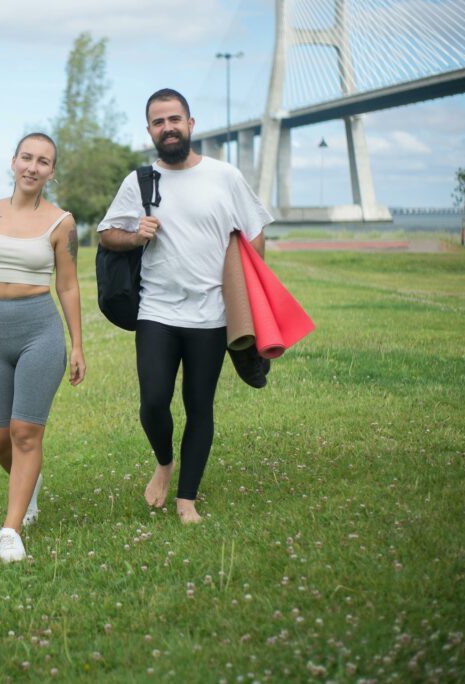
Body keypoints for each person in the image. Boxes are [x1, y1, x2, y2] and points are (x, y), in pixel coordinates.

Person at [97, 89, 272, 524]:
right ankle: (164, 461)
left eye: (174, 119)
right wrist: (136, 234)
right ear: (150, 131)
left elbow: (255, 232)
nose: (168, 127)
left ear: (191, 124)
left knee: (200, 405)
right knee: (153, 402)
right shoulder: (139, 182)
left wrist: (246, 295)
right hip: (156, 310)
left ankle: (187, 498)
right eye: (159, 122)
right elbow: (106, 235)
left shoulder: (224, 176)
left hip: (211, 315)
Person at [0, 132, 86, 562]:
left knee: (25, 433)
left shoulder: (62, 222)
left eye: (44, 161)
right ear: (13, 161)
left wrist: (77, 345)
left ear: (52, 172)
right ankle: (28, 485)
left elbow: (68, 286)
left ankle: (11, 530)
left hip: (39, 330)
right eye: (27, 158)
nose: (33, 167)